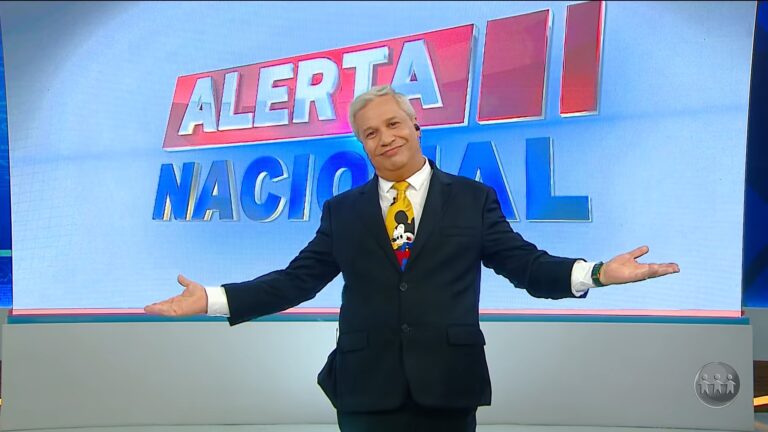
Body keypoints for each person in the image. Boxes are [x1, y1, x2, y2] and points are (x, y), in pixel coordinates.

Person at [145, 85, 680, 432]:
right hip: (364, 389)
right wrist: (211, 299)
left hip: (447, 386)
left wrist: (599, 273)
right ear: (362, 145)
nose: (384, 138)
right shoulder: (342, 211)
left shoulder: (472, 199)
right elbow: (295, 281)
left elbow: (526, 265)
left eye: (393, 125)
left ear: (416, 127)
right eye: (370, 133)